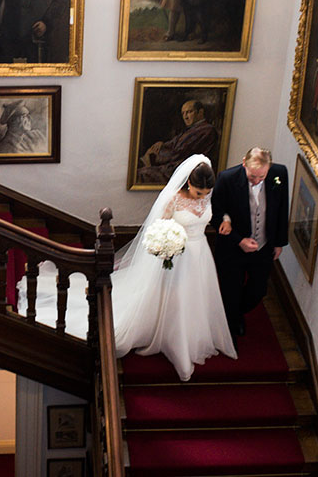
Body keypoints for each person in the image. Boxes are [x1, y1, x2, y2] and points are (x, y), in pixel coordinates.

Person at [17, 155, 237, 381]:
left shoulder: (208, 196)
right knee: (175, 297)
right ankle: (176, 342)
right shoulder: (173, 199)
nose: (202, 197)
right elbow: (159, 227)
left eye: (206, 193)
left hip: (200, 255)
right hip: (176, 256)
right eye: (198, 193)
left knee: (196, 296)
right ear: (189, 183)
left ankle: (194, 335)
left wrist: (227, 220)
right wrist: (166, 244)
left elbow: (221, 208)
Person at [209, 147, 289, 337]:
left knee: (258, 290)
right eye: (252, 176)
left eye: (261, 177)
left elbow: (282, 208)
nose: (256, 180)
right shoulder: (226, 179)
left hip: (263, 246)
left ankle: (233, 312)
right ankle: (232, 323)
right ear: (244, 163)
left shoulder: (280, 174)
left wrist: (278, 242)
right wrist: (238, 239)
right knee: (231, 289)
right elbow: (214, 213)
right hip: (232, 248)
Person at [138, 100, 219, 184]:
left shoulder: (206, 130)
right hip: (176, 166)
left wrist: (154, 156)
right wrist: (161, 145)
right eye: (183, 113)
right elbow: (173, 144)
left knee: (142, 173)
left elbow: (181, 152)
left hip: (185, 171)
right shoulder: (191, 129)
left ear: (200, 112)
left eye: (189, 112)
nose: (185, 117)